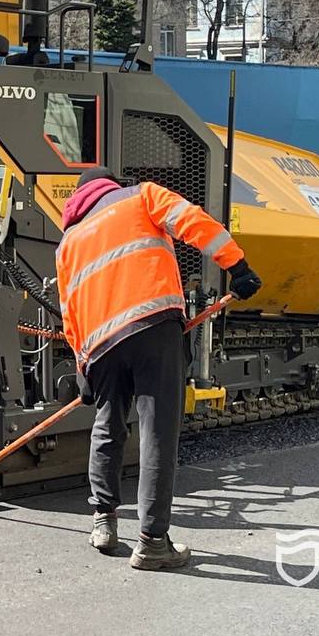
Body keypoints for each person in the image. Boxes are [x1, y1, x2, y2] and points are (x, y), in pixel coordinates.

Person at [56, 166, 262, 571]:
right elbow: (193, 222)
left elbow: (69, 311)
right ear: (111, 186)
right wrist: (237, 266)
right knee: (157, 431)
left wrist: (82, 366)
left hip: (100, 346)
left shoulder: (68, 242)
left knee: (108, 424)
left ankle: (103, 522)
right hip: (151, 325)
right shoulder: (140, 196)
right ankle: (152, 542)